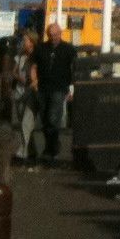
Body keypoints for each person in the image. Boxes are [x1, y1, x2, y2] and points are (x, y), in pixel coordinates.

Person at [30, 22, 78, 165]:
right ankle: (52, 145)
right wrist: (34, 80)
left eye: (55, 35)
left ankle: (51, 150)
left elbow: (74, 69)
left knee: (53, 119)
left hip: (59, 88)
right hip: (43, 88)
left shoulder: (68, 49)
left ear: (60, 33)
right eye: (50, 35)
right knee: (44, 120)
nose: (53, 37)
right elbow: (33, 66)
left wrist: (72, 90)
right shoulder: (40, 48)